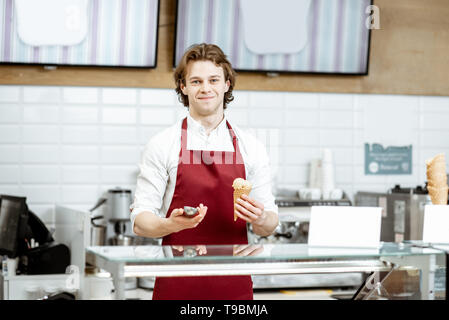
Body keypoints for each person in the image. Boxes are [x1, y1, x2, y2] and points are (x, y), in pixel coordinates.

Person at [130, 43, 279, 300]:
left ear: (227, 84)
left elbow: (270, 224)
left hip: (233, 284)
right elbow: (141, 222)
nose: (206, 88)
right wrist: (169, 224)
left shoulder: (251, 146)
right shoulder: (162, 144)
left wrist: (260, 218)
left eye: (213, 80)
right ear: (183, 87)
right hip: (176, 283)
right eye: (196, 81)